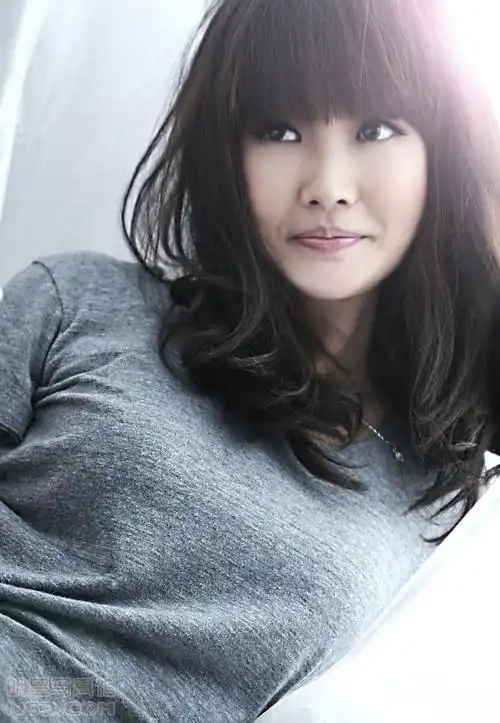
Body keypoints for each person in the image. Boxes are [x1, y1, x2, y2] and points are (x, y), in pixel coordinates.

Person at [1, 0, 500, 720]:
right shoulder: (80, 299)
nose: (328, 186)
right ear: (226, 153)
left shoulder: (445, 492)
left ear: (443, 154)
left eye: (376, 128)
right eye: (279, 130)